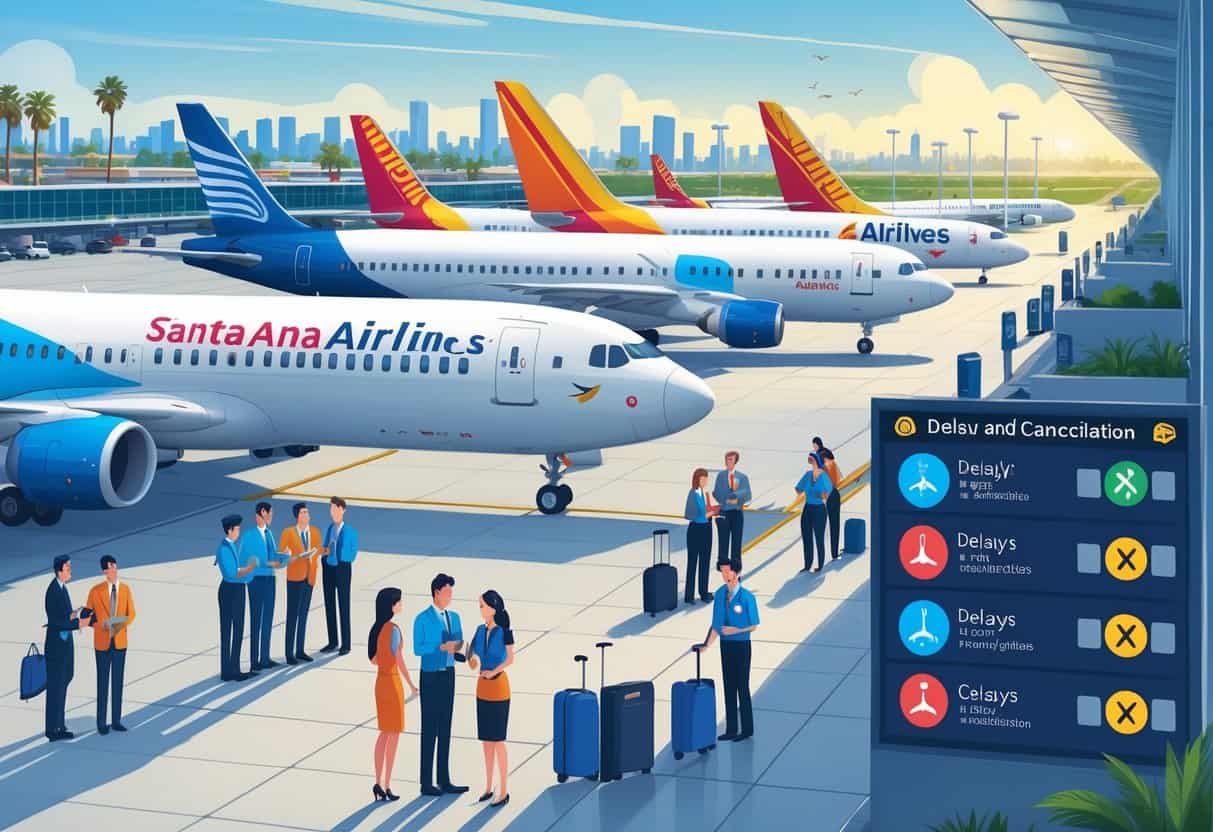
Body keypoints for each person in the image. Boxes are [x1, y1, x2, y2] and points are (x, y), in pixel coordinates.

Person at [413, 573, 468, 797]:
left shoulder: (454, 617)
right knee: (429, 728)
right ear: (436, 593)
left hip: (448, 675)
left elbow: (460, 643)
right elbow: (418, 648)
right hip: (430, 676)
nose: (450, 596)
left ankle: (444, 780)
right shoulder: (422, 619)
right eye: (447, 592)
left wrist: (458, 648)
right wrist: (439, 647)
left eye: (451, 592)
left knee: (445, 727)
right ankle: (426, 783)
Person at [696, 559, 759, 742]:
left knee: (742, 687)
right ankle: (731, 729)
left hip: (742, 646)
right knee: (729, 686)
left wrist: (736, 630)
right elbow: (716, 624)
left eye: (727, 571)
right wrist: (707, 645)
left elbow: (754, 625)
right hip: (726, 646)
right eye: (722, 571)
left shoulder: (747, 597)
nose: (724, 575)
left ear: (736, 573)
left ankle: (747, 729)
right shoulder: (720, 594)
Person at [369, 587, 419, 803]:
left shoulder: (376, 629)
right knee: (394, 734)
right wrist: (412, 685)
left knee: (384, 733)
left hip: (380, 682)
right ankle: (387, 784)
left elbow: (374, 659)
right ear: (391, 606)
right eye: (399, 602)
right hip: (393, 682)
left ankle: (378, 782)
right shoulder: (394, 629)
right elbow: (399, 660)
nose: (401, 605)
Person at [467, 590, 515, 808]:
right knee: (486, 740)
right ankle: (488, 786)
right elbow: (470, 653)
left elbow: (510, 659)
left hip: (498, 688)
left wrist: (492, 671)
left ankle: (503, 789)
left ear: (493, 608)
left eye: (482, 605)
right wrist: (455, 648)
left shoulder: (505, 632)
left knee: (498, 740)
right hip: (482, 689)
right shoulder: (479, 630)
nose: (480, 609)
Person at [87, 555, 136, 735]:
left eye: (115, 565)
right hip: (102, 643)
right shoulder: (95, 591)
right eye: (110, 567)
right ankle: (101, 723)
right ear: (104, 571)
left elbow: (132, 614)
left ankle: (116, 720)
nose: (114, 569)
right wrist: (101, 625)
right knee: (102, 683)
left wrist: (115, 624)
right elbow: (89, 617)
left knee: (117, 683)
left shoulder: (125, 589)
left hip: (120, 643)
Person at [44, 555, 91, 741]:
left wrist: (76, 613)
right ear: (59, 571)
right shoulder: (53, 591)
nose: (71, 570)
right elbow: (56, 622)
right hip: (57, 648)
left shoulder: (62, 588)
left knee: (64, 681)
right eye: (68, 567)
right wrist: (81, 623)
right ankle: (53, 729)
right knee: (56, 688)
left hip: (64, 646)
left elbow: (64, 616)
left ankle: (59, 724)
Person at [280, 502, 326, 664]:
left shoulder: (315, 531)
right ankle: (289, 653)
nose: (307, 515)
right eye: (303, 513)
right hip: (295, 578)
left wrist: (326, 550)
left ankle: (300, 650)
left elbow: (318, 550)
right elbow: (281, 555)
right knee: (292, 616)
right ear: (297, 516)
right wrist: (291, 556)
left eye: (307, 512)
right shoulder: (288, 533)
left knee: (303, 615)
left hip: (310, 578)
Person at [243, 502, 285, 670]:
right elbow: (250, 559)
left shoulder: (269, 533)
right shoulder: (250, 536)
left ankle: (265, 658)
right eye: (270, 513)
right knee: (256, 620)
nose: (272, 517)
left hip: (269, 580)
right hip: (256, 580)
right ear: (262, 512)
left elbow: (272, 554)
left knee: (267, 619)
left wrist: (284, 556)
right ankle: (254, 662)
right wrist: (269, 563)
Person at [216, 514, 258, 681]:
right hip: (231, 591)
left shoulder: (231, 546)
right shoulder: (224, 549)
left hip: (235, 589)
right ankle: (231, 671)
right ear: (230, 530)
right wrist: (250, 568)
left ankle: (230, 669)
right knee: (232, 630)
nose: (239, 531)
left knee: (233, 630)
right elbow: (232, 573)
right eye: (237, 529)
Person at [322, 496, 359, 656]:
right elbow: (325, 545)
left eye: (334, 508)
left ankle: (346, 643)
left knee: (344, 605)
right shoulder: (330, 528)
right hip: (329, 568)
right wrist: (324, 553)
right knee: (329, 604)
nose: (332, 512)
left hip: (342, 569)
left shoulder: (350, 531)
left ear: (342, 510)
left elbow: (353, 552)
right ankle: (332, 641)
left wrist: (342, 557)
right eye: (330, 509)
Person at [683, 468, 717, 604]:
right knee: (692, 563)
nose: (705, 481)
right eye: (703, 479)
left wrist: (712, 512)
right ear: (697, 479)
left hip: (706, 530)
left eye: (706, 478)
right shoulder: (693, 494)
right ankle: (689, 595)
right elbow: (691, 514)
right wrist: (708, 514)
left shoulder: (703, 493)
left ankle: (704, 592)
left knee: (705, 562)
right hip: (696, 530)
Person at [712, 451, 752, 567]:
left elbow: (748, 495)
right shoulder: (720, 476)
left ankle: (736, 565)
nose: (727, 461)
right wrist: (726, 499)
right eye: (726, 459)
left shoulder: (742, 477)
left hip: (737, 513)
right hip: (724, 512)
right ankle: (723, 564)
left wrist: (737, 499)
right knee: (723, 540)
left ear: (735, 461)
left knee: (736, 540)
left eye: (730, 459)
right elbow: (716, 493)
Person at [795, 455, 833, 572]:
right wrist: (803, 490)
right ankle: (807, 565)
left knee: (819, 538)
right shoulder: (807, 475)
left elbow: (826, 495)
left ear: (817, 461)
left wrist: (820, 494)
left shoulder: (824, 477)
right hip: (807, 509)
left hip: (819, 510)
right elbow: (798, 489)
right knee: (806, 537)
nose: (810, 460)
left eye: (812, 459)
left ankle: (820, 565)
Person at [820, 449, 844, 560]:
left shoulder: (823, 468)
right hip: (835, 494)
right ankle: (834, 553)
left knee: (823, 526)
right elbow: (838, 480)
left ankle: (822, 555)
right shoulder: (834, 465)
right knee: (835, 525)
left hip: (828, 496)